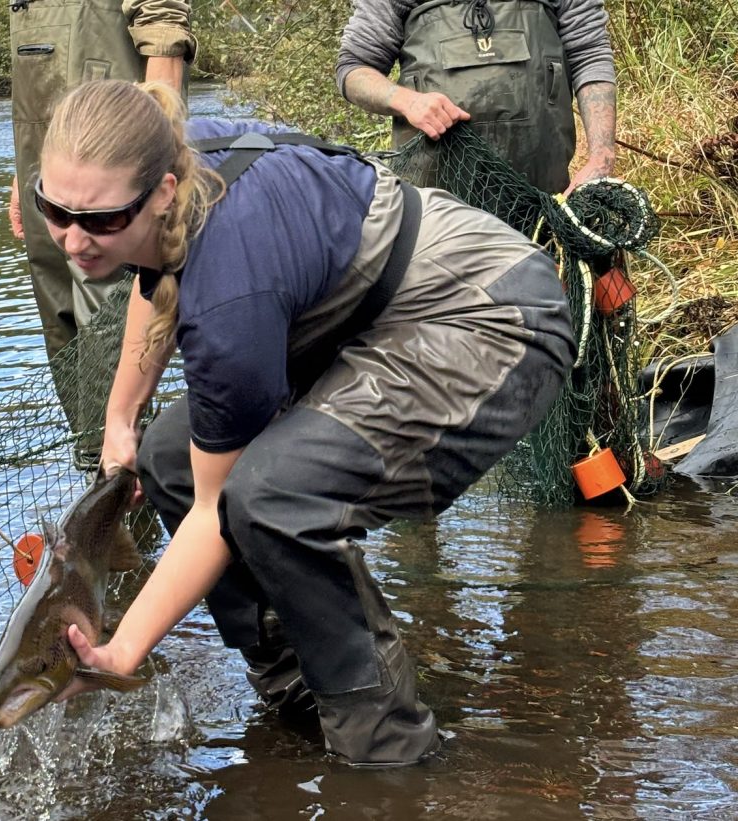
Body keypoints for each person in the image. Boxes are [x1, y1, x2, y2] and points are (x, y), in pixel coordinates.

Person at [35, 79, 576, 765]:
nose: (75, 239)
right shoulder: (160, 160)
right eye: (54, 209)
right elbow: (156, 266)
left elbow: (214, 514)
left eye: (102, 220)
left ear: (163, 191)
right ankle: (300, 690)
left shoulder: (228, 301)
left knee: (274, 498)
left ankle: (383, 745)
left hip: (489, 317)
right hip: (374, 317)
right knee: (170, 455)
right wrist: (122, 419)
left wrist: (120, 653)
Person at [8, 0, 195, 466]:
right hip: (49, 163)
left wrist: (160, 153)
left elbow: (164, 25)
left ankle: (112, 476)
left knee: (109, 315)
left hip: (116, 159)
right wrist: (28, 177)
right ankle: (99, 467)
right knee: (62, 326)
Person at [336, 0, 618, 194]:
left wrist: (601, 157)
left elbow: (590, 54)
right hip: (436, 210)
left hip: (543, 199)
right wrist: (408, 101)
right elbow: (354, 69)